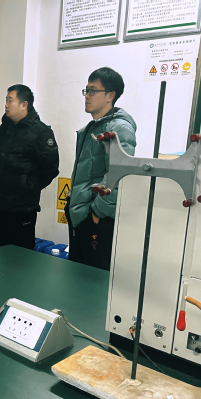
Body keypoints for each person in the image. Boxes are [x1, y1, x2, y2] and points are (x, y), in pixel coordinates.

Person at [65, 67, 136, 270]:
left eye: (93, 91)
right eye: (86, 90)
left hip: (96, 218)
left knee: (94, 277)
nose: (87, 96)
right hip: (81, 214)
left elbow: (120, 176)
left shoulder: (119, 128)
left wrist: (97, 212)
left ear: (110, 96)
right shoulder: (93, 128)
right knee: (78, 273)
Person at [0, 84, 59, 249]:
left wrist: (29, 186)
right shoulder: (5, 128)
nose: (6, 105)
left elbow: (51, 168)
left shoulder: (41, 132)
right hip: (0, 203)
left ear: (24, 104)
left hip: (23, 207)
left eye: (10, 100)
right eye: (6, 100)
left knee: (21, 254)